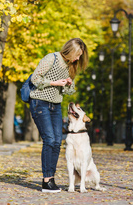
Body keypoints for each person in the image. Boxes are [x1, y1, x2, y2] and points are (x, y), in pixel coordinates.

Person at [29, 38, 88, 193]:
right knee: (49, 139)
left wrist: (69, 84)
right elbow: (35, 79)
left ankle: (50, 179)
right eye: (77, 54)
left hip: (55, 105)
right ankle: (46, 181)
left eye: (80, 56)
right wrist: (54, 83)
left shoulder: (71, 66)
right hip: (39, 102)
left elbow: (69, 92)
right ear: (70, 50)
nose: (78, 58)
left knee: (57, 142)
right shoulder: (52, 58)